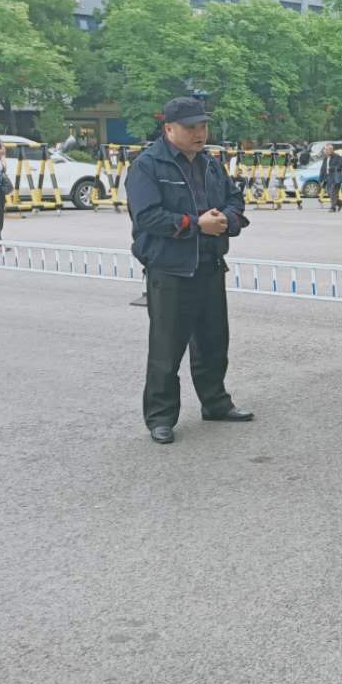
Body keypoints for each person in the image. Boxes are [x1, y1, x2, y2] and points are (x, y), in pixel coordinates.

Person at [126, 97, 253, 446]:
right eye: (191, 127)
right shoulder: (148, 166)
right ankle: (160, 417)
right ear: (169, 129)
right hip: (170, 270)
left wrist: (227, 218)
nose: (200, 133)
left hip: (209, 265)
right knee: (166, 349)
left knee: (214, 343)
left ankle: (216, 402)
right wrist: (196, 224)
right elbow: (147, 217)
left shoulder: (210, 164)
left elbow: (235, 200)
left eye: (203, 126)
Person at [319, 145, 342, 212]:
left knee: (333, 192)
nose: (325, 151)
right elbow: (322, 169)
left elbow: (341, 166)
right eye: (325, 150)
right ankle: (340, 203)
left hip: (336, 178)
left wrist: (332, 168)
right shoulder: (326, 158)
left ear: (331, 150)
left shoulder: (337, 157)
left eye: (327, 150)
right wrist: (320, 179)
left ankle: (333, 207)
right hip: (328, 178)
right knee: (329, 193)